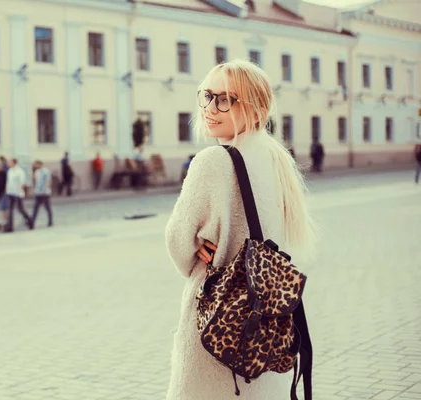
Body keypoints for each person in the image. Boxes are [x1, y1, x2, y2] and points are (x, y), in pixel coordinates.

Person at [164, 59, 316, 399]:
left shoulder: (213, 161)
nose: (211, 108)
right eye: (208, 95)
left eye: (226, 99)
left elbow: (177, 242)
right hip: (267, 326)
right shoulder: (277, 159)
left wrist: (197, 255)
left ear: (255, 107)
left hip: (217, 325)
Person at [4, 158, 33, 232]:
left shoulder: (19, 171)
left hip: (17, 193)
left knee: (20, 209)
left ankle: (30, 221)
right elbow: (8, 181)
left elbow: (22, 183)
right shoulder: (9, 171)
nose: (8, 164)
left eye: (10, 162)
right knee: (10, 210)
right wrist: (7, 190)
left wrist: (19, 192)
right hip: (10, 193)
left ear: (14, 163)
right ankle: (10, 227)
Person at [30, 160, 53, 228]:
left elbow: (49, 181)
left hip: (45, 193)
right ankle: (32, 222)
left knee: (47, 207)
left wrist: (46, 190)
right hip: (38, 193)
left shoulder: (45, 171)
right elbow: (35, 180)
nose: (35, 166)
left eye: (36, 164)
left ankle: (50, 221)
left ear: (40, 164)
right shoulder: (37, 172)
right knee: (35, 208)